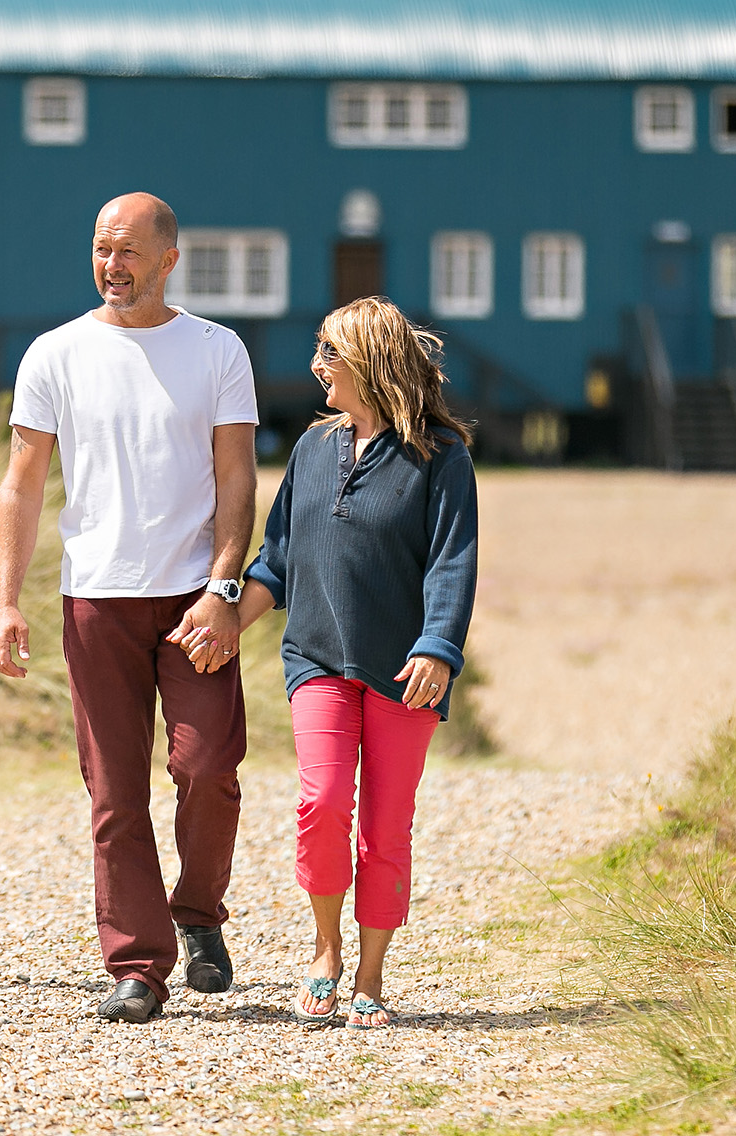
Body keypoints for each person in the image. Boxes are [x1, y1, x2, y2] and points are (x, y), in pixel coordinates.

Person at [0, 193, 259, 1023]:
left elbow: (238, 479)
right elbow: (22, 482)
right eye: (102, 249)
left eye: (129, 251)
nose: (113, 265)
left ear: (169, 258)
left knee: (207, 768)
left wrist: (223, 587)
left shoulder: (218, 350)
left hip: (194, 599)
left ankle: (199, 911)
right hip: (95, 599)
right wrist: (5, 600)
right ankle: (139, 966)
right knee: (114, 792)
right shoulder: (55, 354)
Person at [230, 296, 478, 1028]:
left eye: (330, 353)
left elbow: (452, 563)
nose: (316, 366)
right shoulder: (311, 449)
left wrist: (439, 647)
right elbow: (277, 558)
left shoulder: (440, 456)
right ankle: (325, 951)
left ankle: (371, 973)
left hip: (406, 671)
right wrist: (222, 625)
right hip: (317, 658)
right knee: (322, 803)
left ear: (370, 362)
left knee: (385, 825)